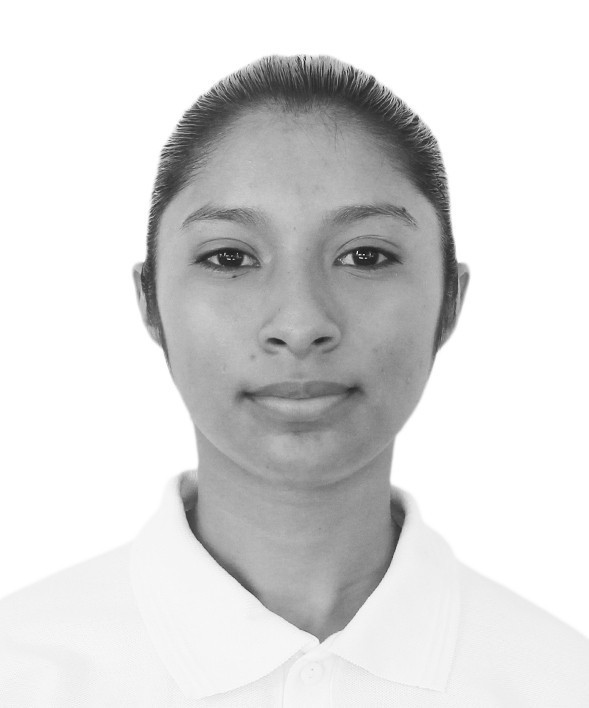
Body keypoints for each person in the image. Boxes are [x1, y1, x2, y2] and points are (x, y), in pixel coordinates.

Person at [1, 55, 588, 707]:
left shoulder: (562, 685)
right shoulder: (21, 675)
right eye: (230, 256)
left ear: (450, 300)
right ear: (150, 300)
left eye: (365, 255)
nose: (301, 324)